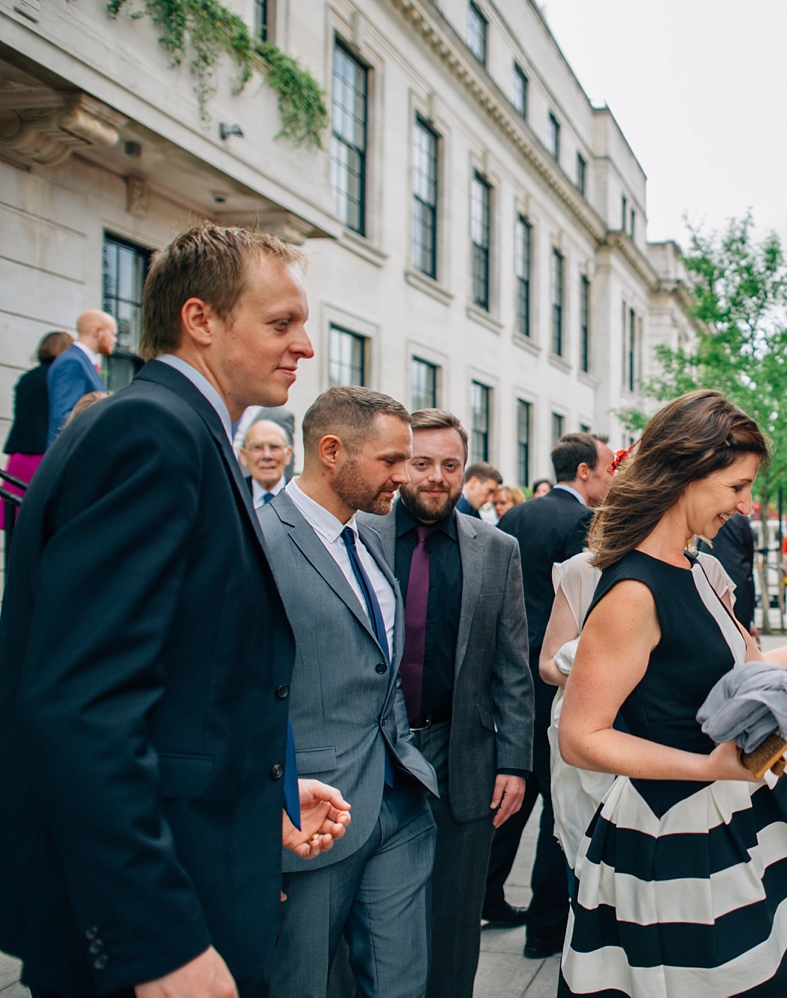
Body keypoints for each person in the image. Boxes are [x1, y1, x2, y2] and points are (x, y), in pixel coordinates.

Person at [0, 223, 351, 998]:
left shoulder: (176, 430)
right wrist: (156, 942)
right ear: (201, 320)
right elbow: (82, 705)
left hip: (202, 860)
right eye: (281, 322)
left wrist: (263, 798)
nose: (306, 346)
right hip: (156, 927)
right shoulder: (149, 432)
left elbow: (185, 678)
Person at [557, 389, 787, 997]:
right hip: (675, 826)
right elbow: (580, 739)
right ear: (684, 474)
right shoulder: (632, 591)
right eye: (736, 487)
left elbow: (757, 667)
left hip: (739, 798)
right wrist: (706, 765)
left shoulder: (699, 567)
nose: (746, 504)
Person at [258, 387, 441, 998]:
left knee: (400, 987)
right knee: (299, 986)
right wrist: (258, 820)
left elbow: (378, 663)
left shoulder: (367, 534)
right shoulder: (259, 542)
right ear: (331, 451)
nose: (405, 476)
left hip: (401, 804)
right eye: (391, 461)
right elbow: (237, 696)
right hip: (312, 818)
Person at [359, 409, 533, 997]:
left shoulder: (496, 548)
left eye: (450, 465)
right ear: (401, 465)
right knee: (366, 919)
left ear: (464, 470)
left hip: (462, 758)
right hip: (372, 757)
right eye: (421, 462)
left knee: (453, 926)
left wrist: (514, 761)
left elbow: (513, 665)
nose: (436, 476)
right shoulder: (358, 534)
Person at [538, 542, 735, 887]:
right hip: (597, 742)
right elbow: (547, 664)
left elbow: (735, 657)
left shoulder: (707, 570)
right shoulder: (582, 569)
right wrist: (606, 670)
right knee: (590, 868)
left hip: (678, 745)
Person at [484, 433, 613, 955]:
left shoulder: (516, 516)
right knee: (556, 809)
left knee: (516, 797)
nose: (610, 478)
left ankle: (487, 895)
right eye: (607, 467)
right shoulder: (580, 524)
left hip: (513, 677)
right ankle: (544, 929)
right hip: (557, 678)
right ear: (583, 471)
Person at [3, 331, 72, 529]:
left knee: (15, 524)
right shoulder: (62, 378)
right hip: (45, 457)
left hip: (19, 456)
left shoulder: (26, 379)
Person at [46, 310, 115, 448]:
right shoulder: (72, 362)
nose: (115, 340)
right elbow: (63, 418)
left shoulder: (83, 362)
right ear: (97, 331)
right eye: (112, 334)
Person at [711, 510, 758, 638]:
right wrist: (749, 620)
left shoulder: (707, 520)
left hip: (717, 593)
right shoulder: (739, 519)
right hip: (738, 591)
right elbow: (749, 561)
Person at [240, 418, 294, 507]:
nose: (267, 456)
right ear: (244, 456)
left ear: (288, 454)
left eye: (274, 447)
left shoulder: (302, 496)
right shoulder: (232, 495)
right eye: (257, 447)